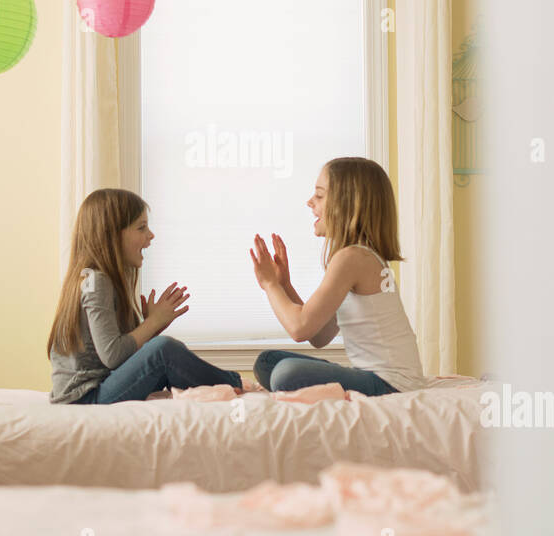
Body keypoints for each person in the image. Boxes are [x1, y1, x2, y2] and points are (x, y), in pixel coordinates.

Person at [249, 157, 430, 396]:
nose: (309, 202)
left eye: (320, 196)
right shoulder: (359, 257)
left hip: (392, 384)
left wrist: (270, 284)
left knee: (285, 373)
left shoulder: (352, 258)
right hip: (378, 377)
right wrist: (285, 285)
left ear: (348, 205)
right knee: (267, 362)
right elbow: (319, 336)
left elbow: (299, 328)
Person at [49, 188, 245, 404]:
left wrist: (152, 327)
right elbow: (113, 355)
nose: (150, 235)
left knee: (167, 349)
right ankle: (237, 384)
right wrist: (151, 323)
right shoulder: (98, 282)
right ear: (112, 235)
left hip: (95, 390)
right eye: (141, 227)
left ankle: (227, 385)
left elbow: (118, 356)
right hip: (87, 397)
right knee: (164, 350)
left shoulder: (94, 280)